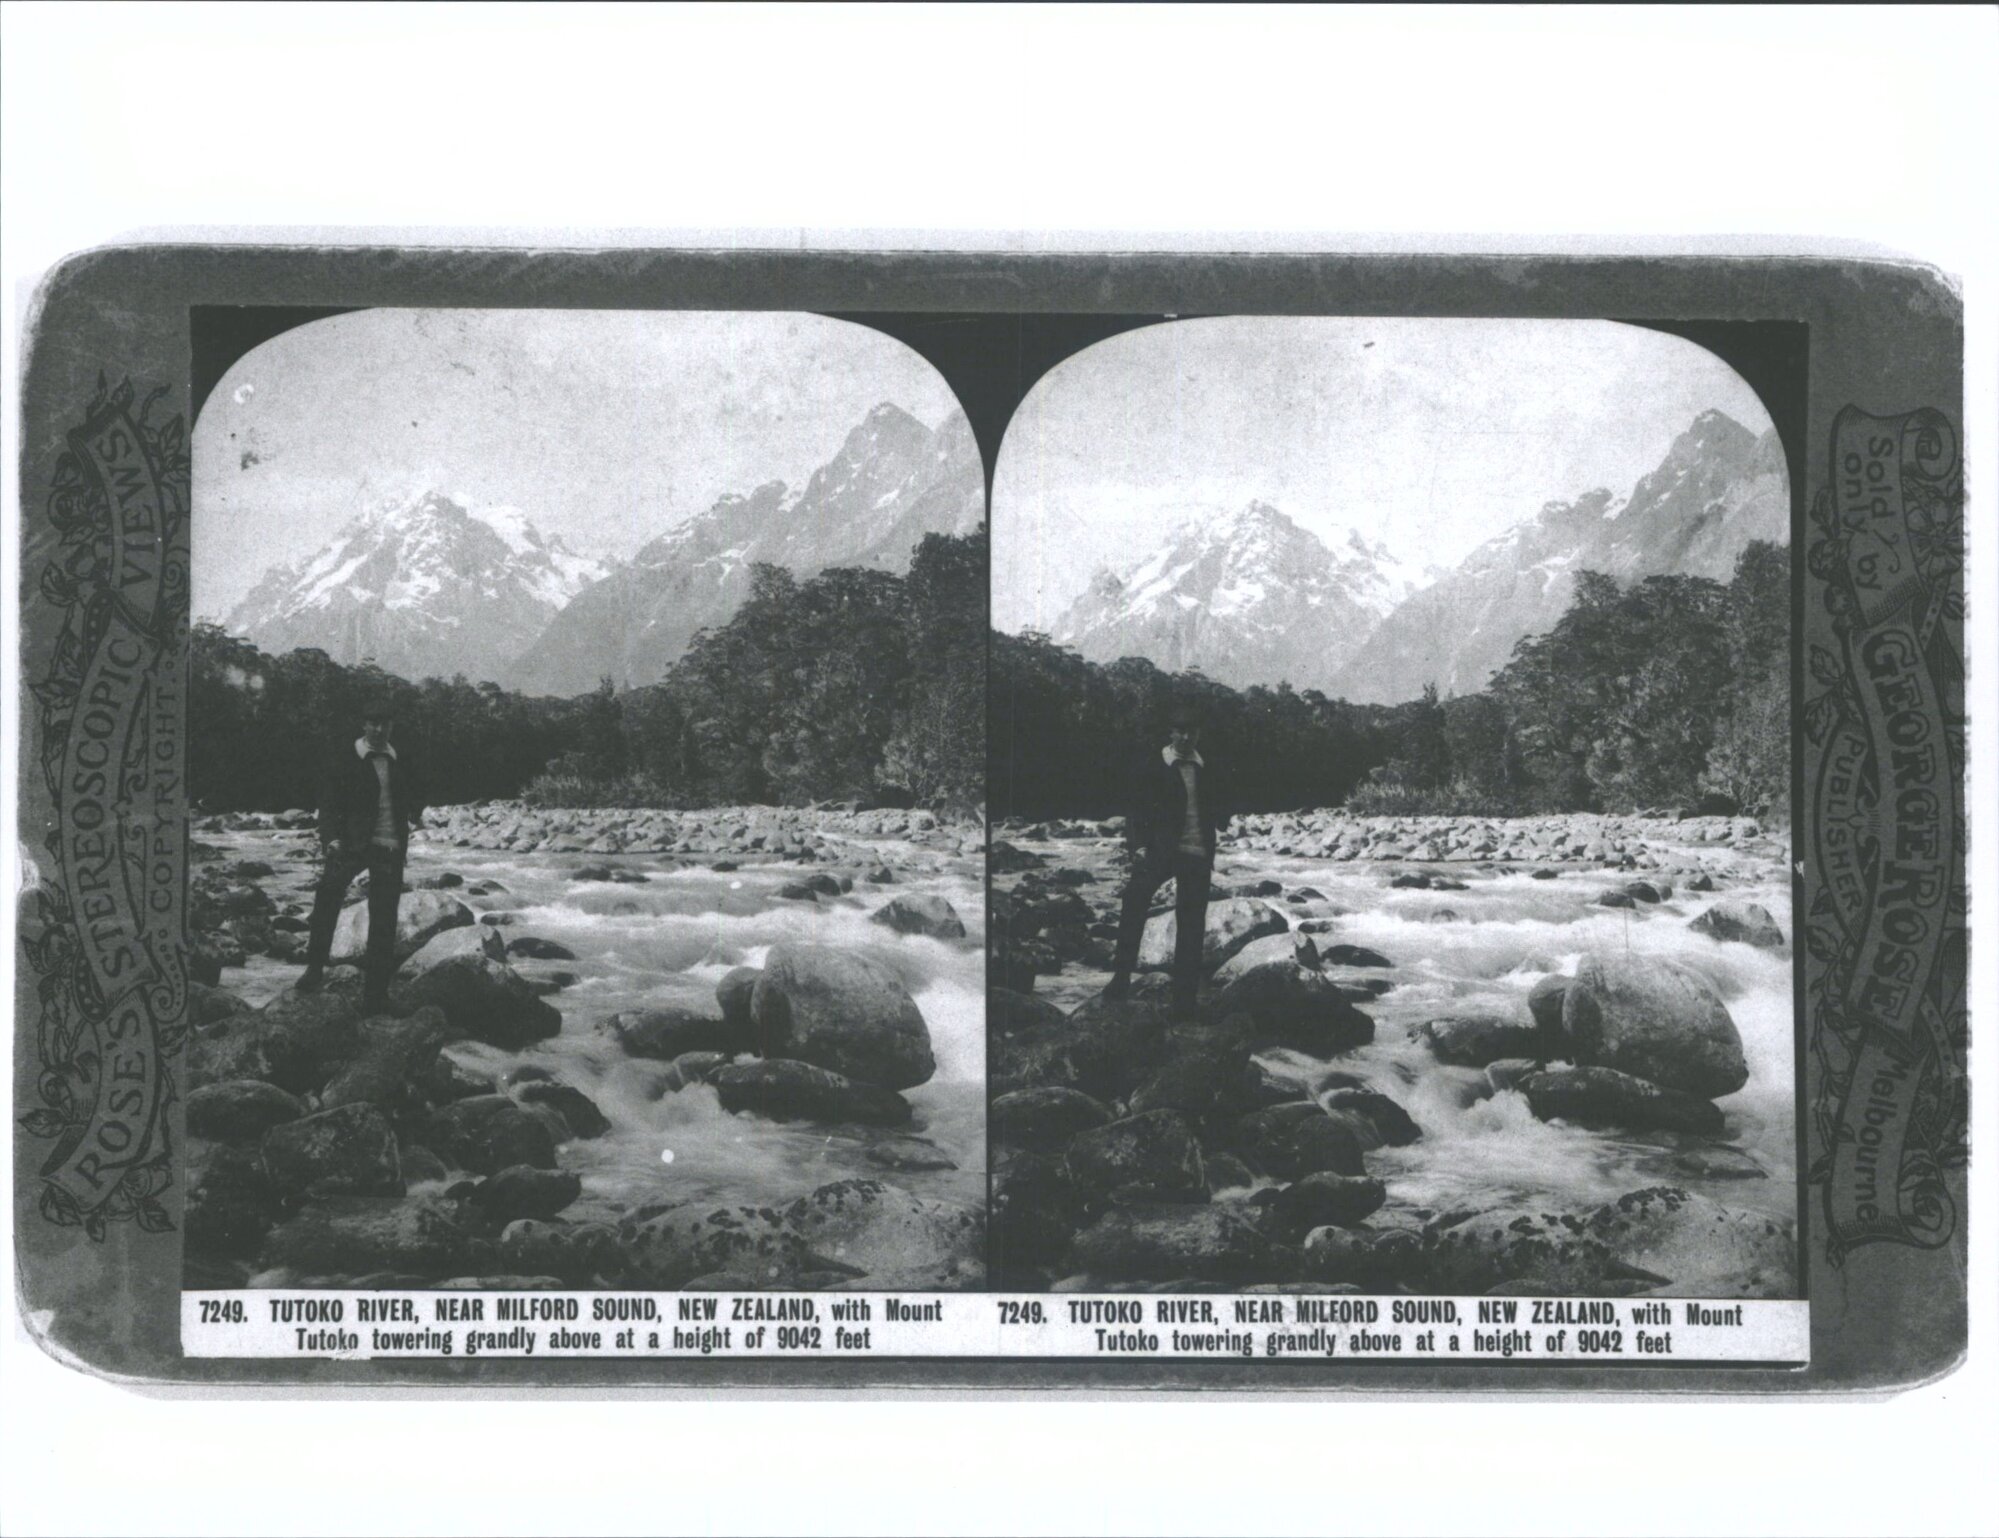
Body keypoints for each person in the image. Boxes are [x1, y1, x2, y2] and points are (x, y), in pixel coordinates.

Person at [296, 699, 427, 1010]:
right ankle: (314, 970)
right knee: (327, 900)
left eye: (385, 724)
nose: (379, 729)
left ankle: (376, 995)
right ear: (364, 725)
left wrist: (415, 810)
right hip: (351, 845)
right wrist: (331, 839)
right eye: (373, 723)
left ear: (391, 726)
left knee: (384, 920)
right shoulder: (345, 758)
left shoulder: (400, 759)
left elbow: (416, 788)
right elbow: (328, 805)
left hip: (390, 846)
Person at [1104, 700, 1231, 1015]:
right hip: (1161, 851)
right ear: (1172, 733)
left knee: (1191, 924)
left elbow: (1219, 797)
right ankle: (1121, 977)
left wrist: (1222, 818)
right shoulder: (1154, 764)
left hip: (1198, 852)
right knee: (1134, 903)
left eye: (1192, 732)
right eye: (1181, 732)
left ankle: (1184, 999)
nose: (1187, 738)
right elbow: (1136, 809)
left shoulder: (1206, 766)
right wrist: (1139, 845)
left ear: (1198, 735)